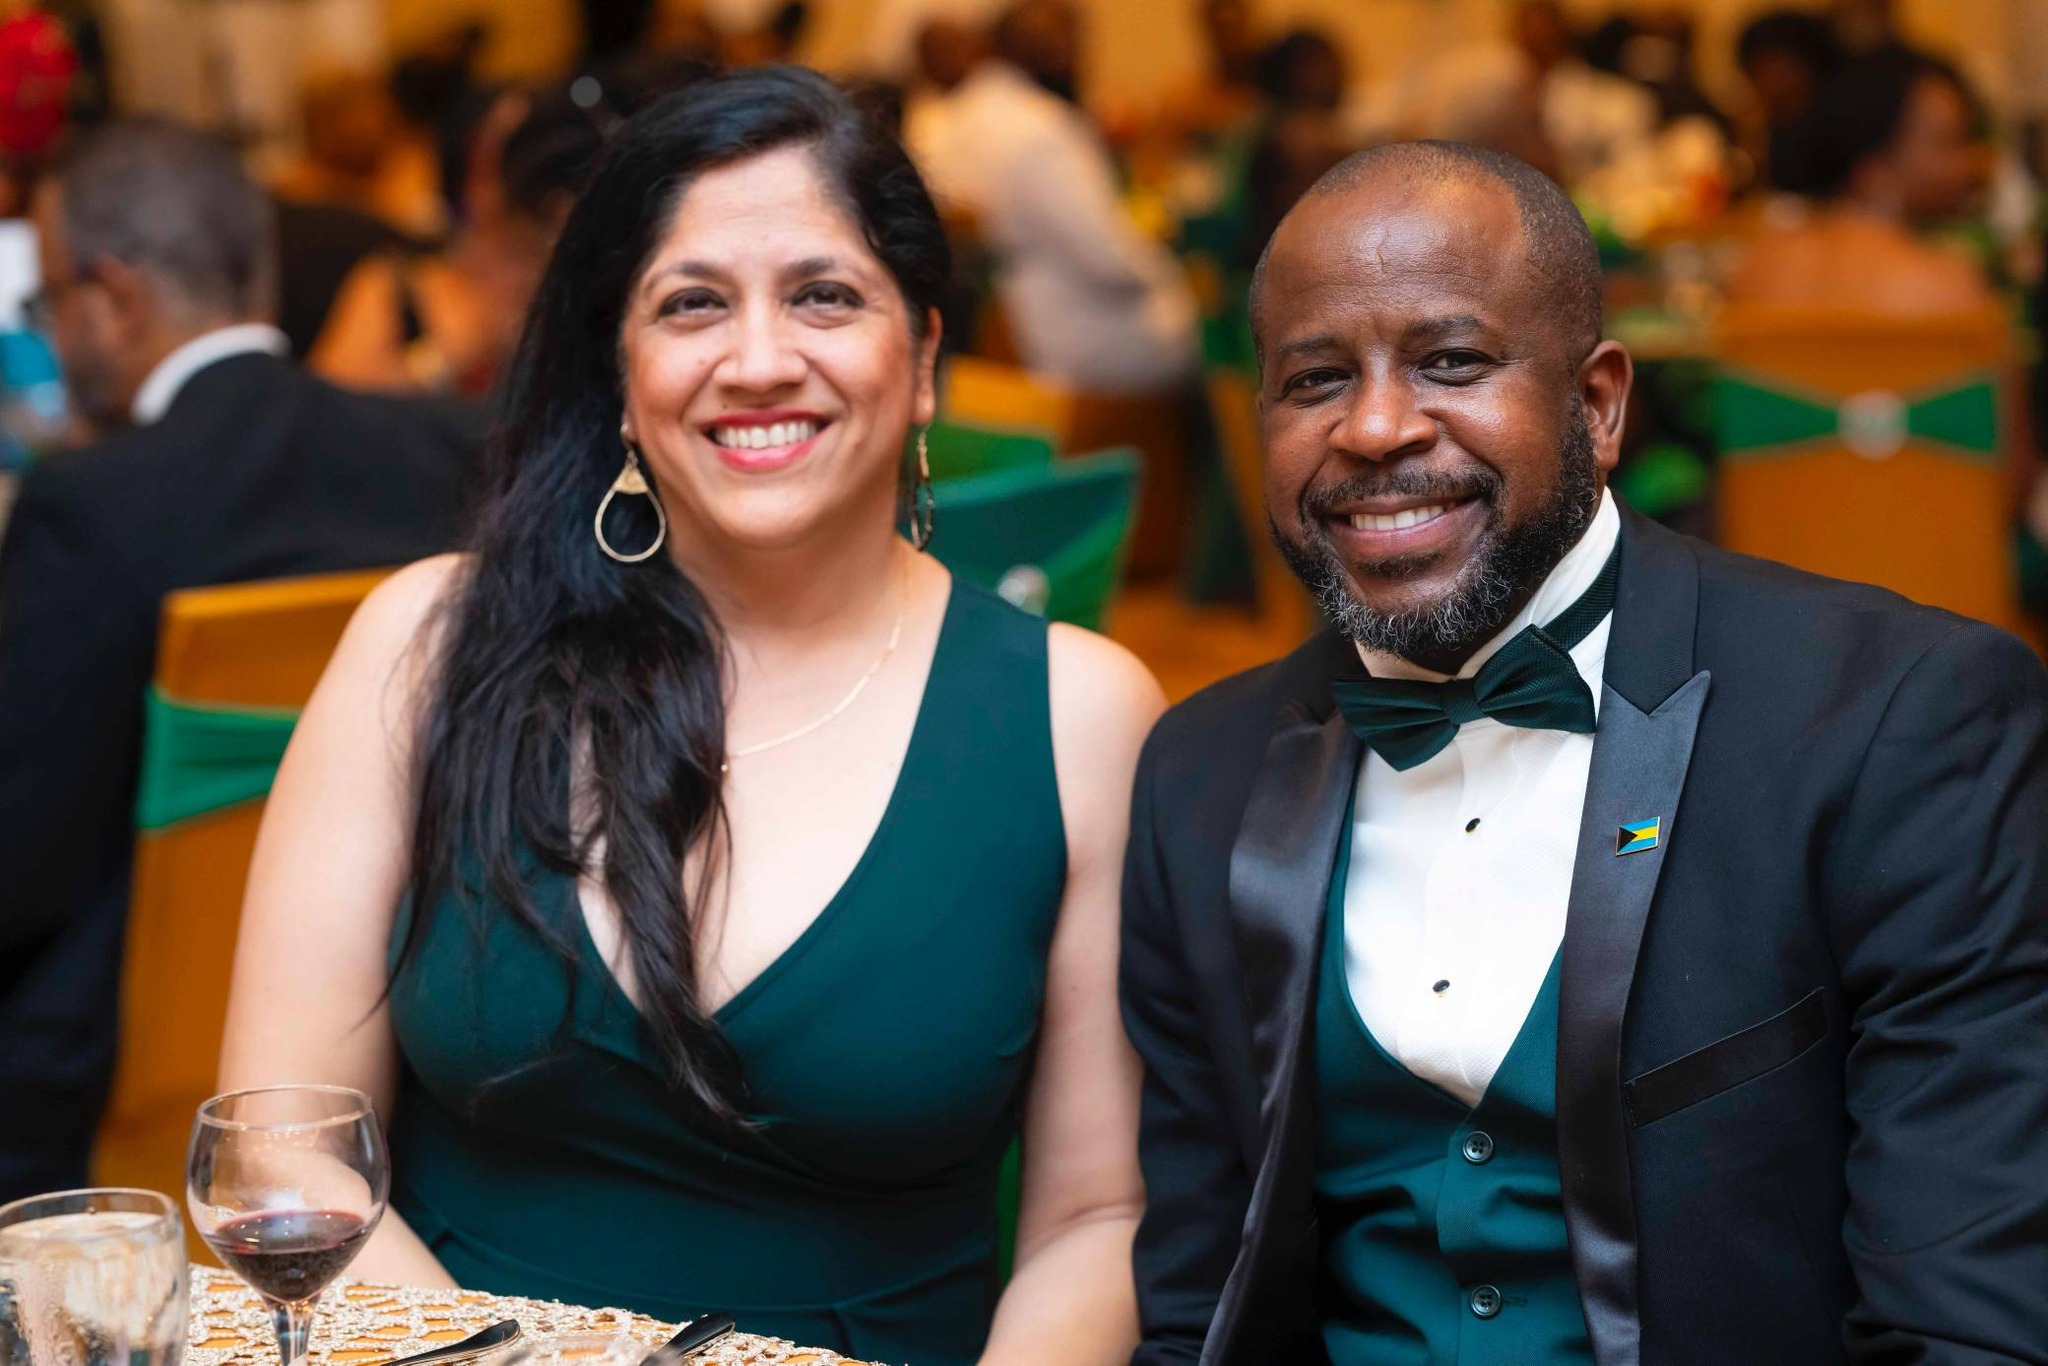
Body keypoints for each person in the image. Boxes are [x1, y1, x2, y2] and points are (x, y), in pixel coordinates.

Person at [217, 68, 1160, 1366]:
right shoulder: (431, 644)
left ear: (925, 358)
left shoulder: (1078, 715)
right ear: (622, 370)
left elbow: (1096, 1217)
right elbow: (281, 1144)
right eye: (692, 303)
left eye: (824, 295)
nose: (759, 361)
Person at [1120, 139, 2048, 1363]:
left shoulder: (1894, 721)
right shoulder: (1198, 772)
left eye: (1450, 362)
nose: (1375, 426)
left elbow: (1963, 1322)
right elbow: (1194, 1304)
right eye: (1314, 379)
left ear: (1598, 405)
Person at [0, 118, 481, 1201]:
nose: (53, 334)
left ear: (113, 298)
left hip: (115, 1091)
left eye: (51, 304)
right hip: (399, 1060)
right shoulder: (444, 450)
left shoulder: (93, 506)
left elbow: (20, 863)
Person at [906, 0, 1197, 392]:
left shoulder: (953, 118)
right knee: (1204, 331)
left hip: (1008, 325)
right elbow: (1109, 262)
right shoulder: (1043, 127)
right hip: (1076, 336)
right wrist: (1166, 274)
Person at [310, 85, 606, 399]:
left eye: (540, 144)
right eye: (502, 150)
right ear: (466, 171)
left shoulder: (587, 277)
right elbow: (324, 409)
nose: (528, 166)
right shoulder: (397, 285)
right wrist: (441, 361)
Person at [1729, 50, 1991, 312]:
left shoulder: (1761, 268)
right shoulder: (1947, 287)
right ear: (1874, 166)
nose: (1967, 163)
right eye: (1948, 142)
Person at [1736, 9, 1843, 191]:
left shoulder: (1836, 129)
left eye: (1769, 67)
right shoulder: (1768, 123)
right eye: (1755, 73)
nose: (1762, 83)